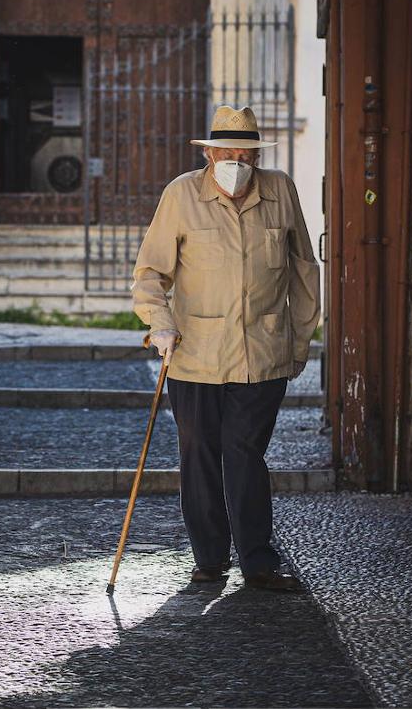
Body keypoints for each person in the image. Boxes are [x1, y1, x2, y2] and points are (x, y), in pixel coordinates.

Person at [131, 105, 321, 592]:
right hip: (194, 354)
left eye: (246, 154)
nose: (237, 162)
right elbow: (151, 273)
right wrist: (160, 323)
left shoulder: (279, 190)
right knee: (198, 452)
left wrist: (300, 338)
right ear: (209, 154)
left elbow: (303, 268)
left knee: (245, 452)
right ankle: (209, 559)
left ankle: (258, 560)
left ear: (256, 156)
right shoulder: (181, 193)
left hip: (263, 351)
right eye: (227, 153)